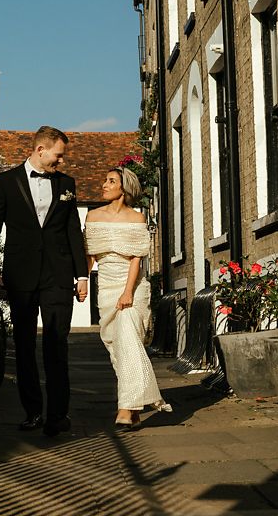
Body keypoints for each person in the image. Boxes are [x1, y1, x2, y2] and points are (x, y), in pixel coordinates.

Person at [0, 126, 86, 437]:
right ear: (41, 150)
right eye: (58, 155)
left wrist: (81, 275)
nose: (61, 162)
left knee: (57, 344)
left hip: (58, 275)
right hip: (21, 276)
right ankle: (32, 412)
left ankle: (57, 415)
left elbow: (72, 232)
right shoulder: (5, 182)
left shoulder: (67, 184)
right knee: (25, 347)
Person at [84, 166, 169, 429]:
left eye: (111, 181)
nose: (104, 185)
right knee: (116, 347)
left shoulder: (137, 219)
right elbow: (89, 255)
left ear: (124, 188)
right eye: (105, 180)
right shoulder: (92, 216)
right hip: (106, 287)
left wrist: (128, 292)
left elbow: (136, 259)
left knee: (130, 340)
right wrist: (83, 281)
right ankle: (133, 408)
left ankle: (124, 408)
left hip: (132, 287)